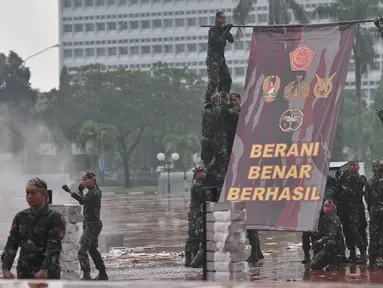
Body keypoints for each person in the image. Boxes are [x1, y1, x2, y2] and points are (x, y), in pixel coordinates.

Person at [1, 178, 66, 279]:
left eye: (33, 193)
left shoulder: (55, 218)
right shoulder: (21, 217)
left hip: (47, 274)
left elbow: (54, 247)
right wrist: (5, 268)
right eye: (27, 193)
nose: (29, 197)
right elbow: (11, 244)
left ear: (44, 195)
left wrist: (45, 269)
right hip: (24, 273)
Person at [70, 171, 108, 280]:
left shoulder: (93, 192)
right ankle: (102, 273)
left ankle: (86, 274)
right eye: (82, 179)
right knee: (92, 250)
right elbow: (83, 202)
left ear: (93, 180)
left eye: (86, 179)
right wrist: (81, 191)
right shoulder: (92, 191)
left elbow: (81, 200)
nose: (83, 181)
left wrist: (74, 192)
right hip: (89, 224)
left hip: (93, 225)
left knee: (81, 248)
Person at [204, 11, 234, 107]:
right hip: (213, 60)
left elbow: (231, 40)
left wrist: (227, 31)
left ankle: (223, 98)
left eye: (225, 18)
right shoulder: (212, 30)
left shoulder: (222, 30)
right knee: (214, 81)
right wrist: (225, 31)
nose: (224, 20)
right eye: (222, 18)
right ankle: (208, 99)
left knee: (227, 79)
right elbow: (219, 42)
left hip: (221, 60)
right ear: (217, 19)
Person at [310, 199, 342, 271]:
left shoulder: (335, 219)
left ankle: (334, 261)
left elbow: (332, 235)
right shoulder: (323, 218)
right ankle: (326, 260)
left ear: (334, 207)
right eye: (324, 206)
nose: (326, 208)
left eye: (328, 206)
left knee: (330, 242)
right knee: (313, 265)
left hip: (335, 245)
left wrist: (320, 240)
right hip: (325, 246)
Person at [184, 167, 206, 267]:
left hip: (196, 214)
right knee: (195, 236)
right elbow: (205, 195)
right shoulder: (197, 184)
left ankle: (192, 258)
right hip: (196, 215)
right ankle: (191, 260)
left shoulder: (197, 183)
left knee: (195, 237)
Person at [365, 161, 383, 269]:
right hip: (376, 210)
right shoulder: (370, 182)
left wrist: (373, 207)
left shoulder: (370, 182)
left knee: (374, 235)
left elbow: (367, 199)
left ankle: (373, 259)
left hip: (375, 210)